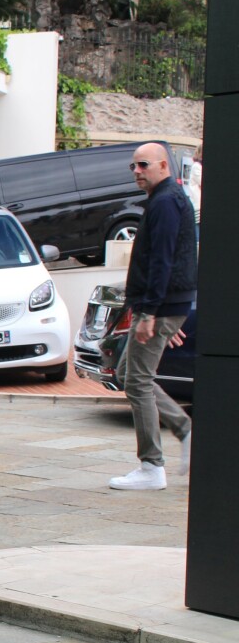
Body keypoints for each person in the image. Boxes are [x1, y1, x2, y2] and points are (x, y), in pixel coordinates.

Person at [108, 142, 197, 491]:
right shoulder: (165, 200)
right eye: (133, 166)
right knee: (128, 372)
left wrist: (151, 314)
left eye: (143, 165)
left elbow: (163, 260)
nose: (137, 171)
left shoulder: (165, 203)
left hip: (159, 308)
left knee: (137, 381)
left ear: (163, 165)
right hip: (163, 308)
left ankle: (151, 466)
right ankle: (183, 429)